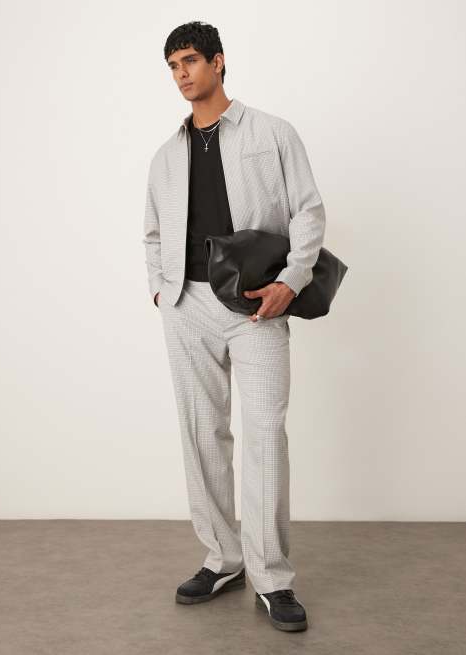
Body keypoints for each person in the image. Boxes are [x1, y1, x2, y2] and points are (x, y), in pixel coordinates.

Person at [142, 20, 326, 633]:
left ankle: (272, 577)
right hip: (186, 303)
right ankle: (223, 560)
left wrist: (291, 280)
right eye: (173, 66)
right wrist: (162, 289)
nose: (181, 74)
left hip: (257, 303)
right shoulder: (165, 157)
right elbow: (152, 232)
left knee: (265, 435)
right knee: (202, 434)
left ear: (218, 62)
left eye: (190, 61)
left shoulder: (272, 132)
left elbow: (308, 211)